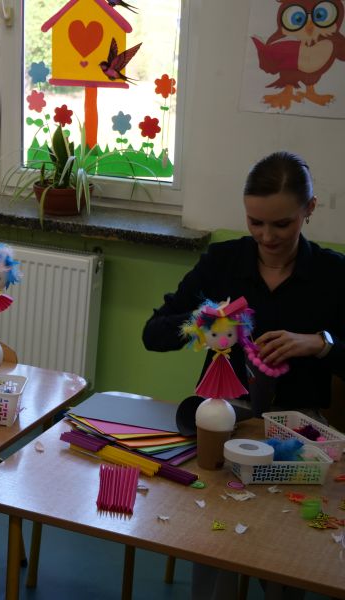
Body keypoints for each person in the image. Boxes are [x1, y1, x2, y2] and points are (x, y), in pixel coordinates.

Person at [142, 151, 345, 600]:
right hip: (224, 421)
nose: (267, 237)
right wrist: (202, 321)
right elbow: (152, 334)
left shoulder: (333, 274)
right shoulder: (223, 262)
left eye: (282, 224)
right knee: (218, 545)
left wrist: (321, 343)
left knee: (285, 557)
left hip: (297, 429)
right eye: (255, 222)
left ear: (309, 210)